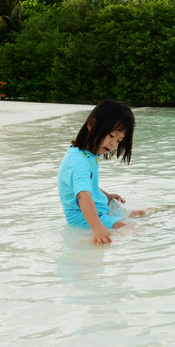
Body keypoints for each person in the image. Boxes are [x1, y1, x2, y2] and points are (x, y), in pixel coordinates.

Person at [57, 99, 145, 244]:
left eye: (118, 141)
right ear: (92, 125)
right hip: (84, 216)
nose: (113, 144)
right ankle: (83, 240)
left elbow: (85, 184)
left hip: (100, 209)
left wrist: (107, 196)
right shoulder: (78, 162)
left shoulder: (88, 154)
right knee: (136, 231)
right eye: (111, 136)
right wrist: (97, 227)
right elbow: (83, 196)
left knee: (140, 213)